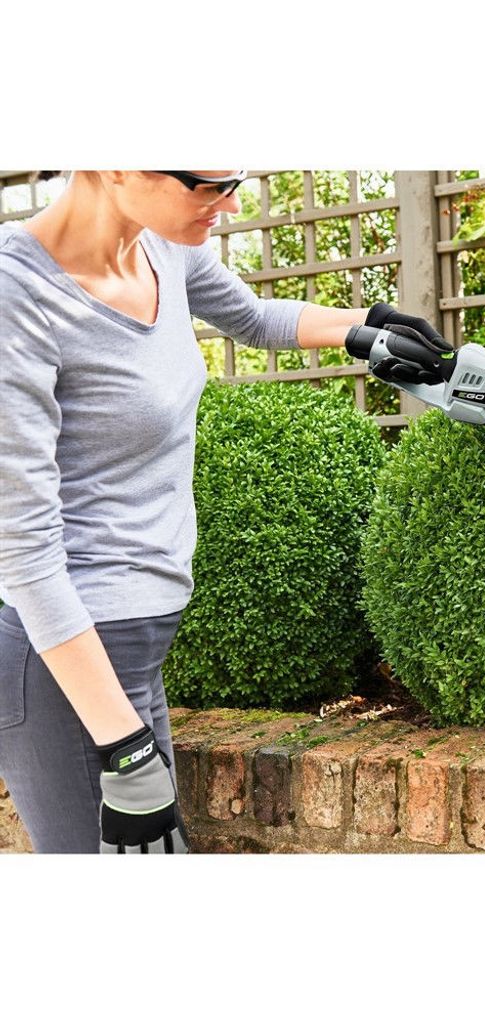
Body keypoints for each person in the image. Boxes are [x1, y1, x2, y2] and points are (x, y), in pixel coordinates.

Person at [0, 170, 449, 853]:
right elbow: (23, 551)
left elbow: (256, 318)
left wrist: (372, 330)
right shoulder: (18, 294)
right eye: (208, 184)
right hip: (67, 664)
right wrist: (124, 749)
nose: (231, 204)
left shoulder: (160, 245)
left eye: (235, 179)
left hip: (136, 645)